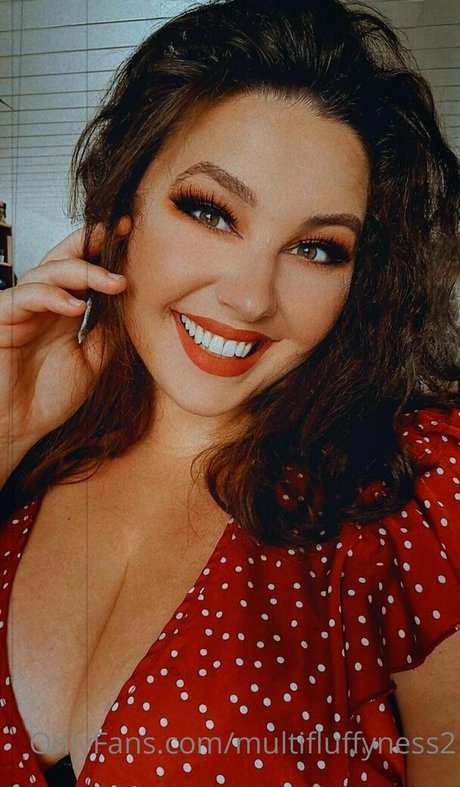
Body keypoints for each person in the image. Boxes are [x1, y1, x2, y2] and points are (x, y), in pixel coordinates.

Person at [1, 0, 459, 784]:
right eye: (211, 211)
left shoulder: (413, 490)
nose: (250, 298)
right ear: (123, 210)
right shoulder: (27, 456)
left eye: (317, 248)